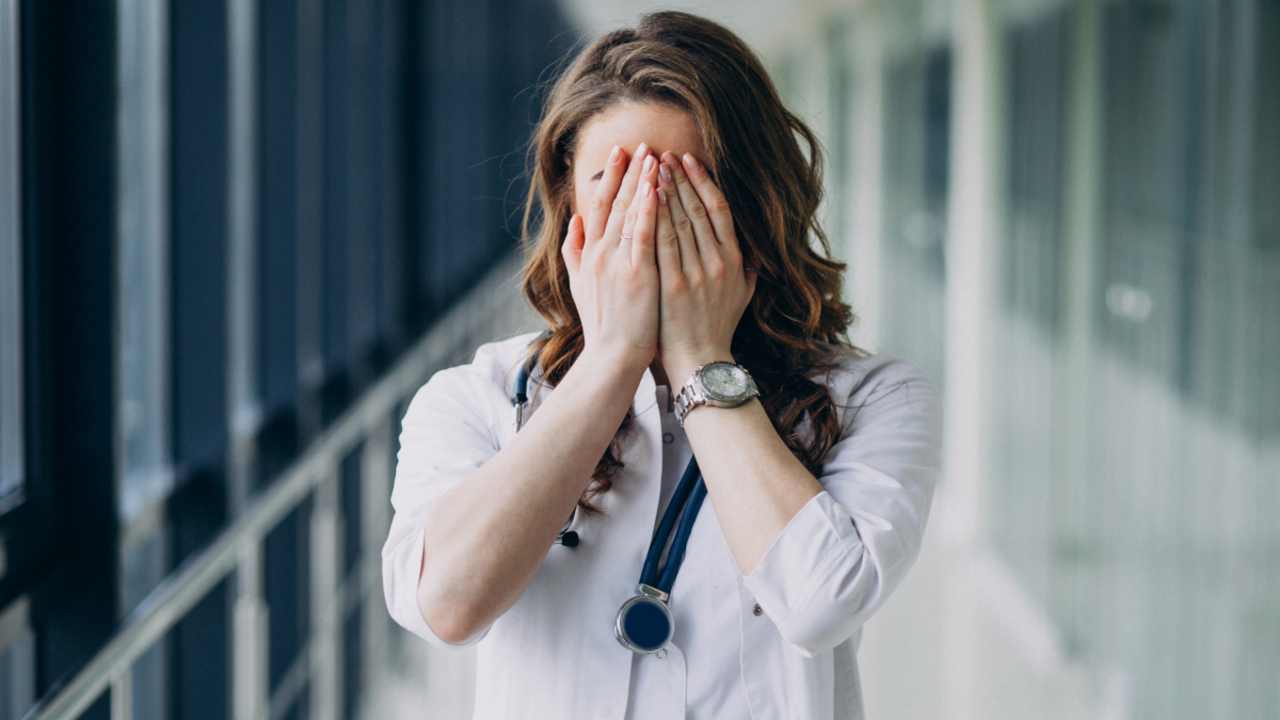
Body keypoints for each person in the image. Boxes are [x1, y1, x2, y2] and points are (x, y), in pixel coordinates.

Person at [382, 11, 942, 720]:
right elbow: (444, 607)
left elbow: (821, 601)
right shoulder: (473, 397)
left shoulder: (878, 397)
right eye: (615, 186)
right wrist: (610, 360)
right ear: (569, 205)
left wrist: (701, 358)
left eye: (684, 190)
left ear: (755, 204)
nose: (648, 219)